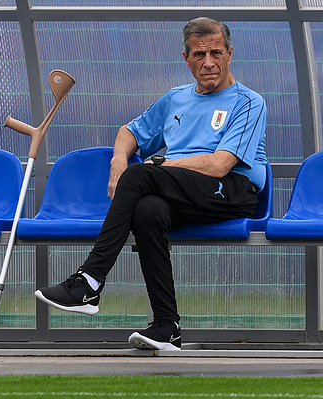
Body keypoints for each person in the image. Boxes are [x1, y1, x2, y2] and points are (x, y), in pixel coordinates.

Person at [35, 17, 268, 351]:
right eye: (199, 55)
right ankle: (166, 326)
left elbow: (220, 165)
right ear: (186, 59)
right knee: (148, 210)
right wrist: (119, 160)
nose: (209, 62)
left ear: (230, 53)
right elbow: (130, 131)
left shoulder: (248, 102)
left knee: (143, 174)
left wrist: (157, 165)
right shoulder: (176, 99)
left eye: (216, 53)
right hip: (182, 191)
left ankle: (89, 280)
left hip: (231, 190)